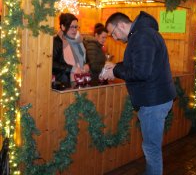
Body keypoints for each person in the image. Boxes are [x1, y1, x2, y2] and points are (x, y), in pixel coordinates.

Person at [102, 11, 176, 175]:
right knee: (151, 146)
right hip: (156, 98)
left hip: (153, 101)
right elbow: (137, 64)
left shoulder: (141, 36)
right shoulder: (143, 33)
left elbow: (141, 73)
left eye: (113, 33)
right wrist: (116, 66)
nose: (114, 38)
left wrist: (115, 71)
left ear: (121, 25)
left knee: (151, 148)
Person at [52, 13, 89, 85]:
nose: (74, 30)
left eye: (76, 27)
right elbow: (52, 64)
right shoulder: (57, 42)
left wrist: (88, 65)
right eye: (71, 27)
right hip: (63, 83)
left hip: (81, 80)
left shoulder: (80, 41)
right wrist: (71, 69)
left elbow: (87, 58)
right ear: (63, 27)